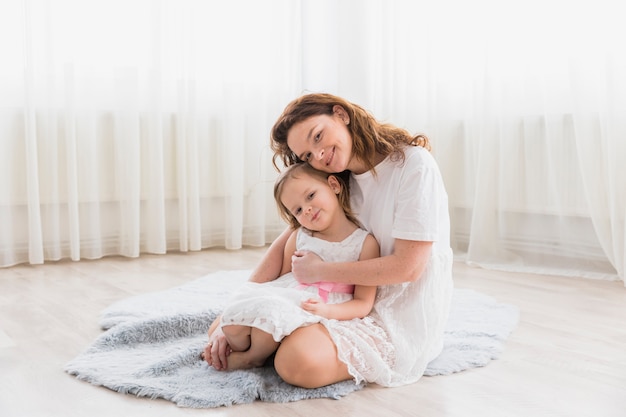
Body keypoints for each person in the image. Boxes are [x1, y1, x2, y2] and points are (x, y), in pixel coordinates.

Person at [206, 92, 454, 389]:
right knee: (227, 329)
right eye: (307, 155)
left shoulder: (414, 165)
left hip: (394, 310)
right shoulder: (338, 174)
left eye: (318, 136)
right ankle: (277, 339)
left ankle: (283, 345)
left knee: (295, 362)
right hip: (340, 297)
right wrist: (233, 311)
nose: (319, 155)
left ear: (341, 114)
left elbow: (407, 268)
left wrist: (320, 271)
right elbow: (286, 244)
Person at [202, 162, 379, 371]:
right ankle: (240, 346)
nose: (307, 209)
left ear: (334, 185)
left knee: (268, 319)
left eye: (311, 196)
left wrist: (326, 310)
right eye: (298, 210)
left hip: (322, 305)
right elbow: (284, 280)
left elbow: (363, 303)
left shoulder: (364, 244)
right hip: (290, 298)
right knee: (234, 320)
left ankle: (253, 357)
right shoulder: (299, 236)